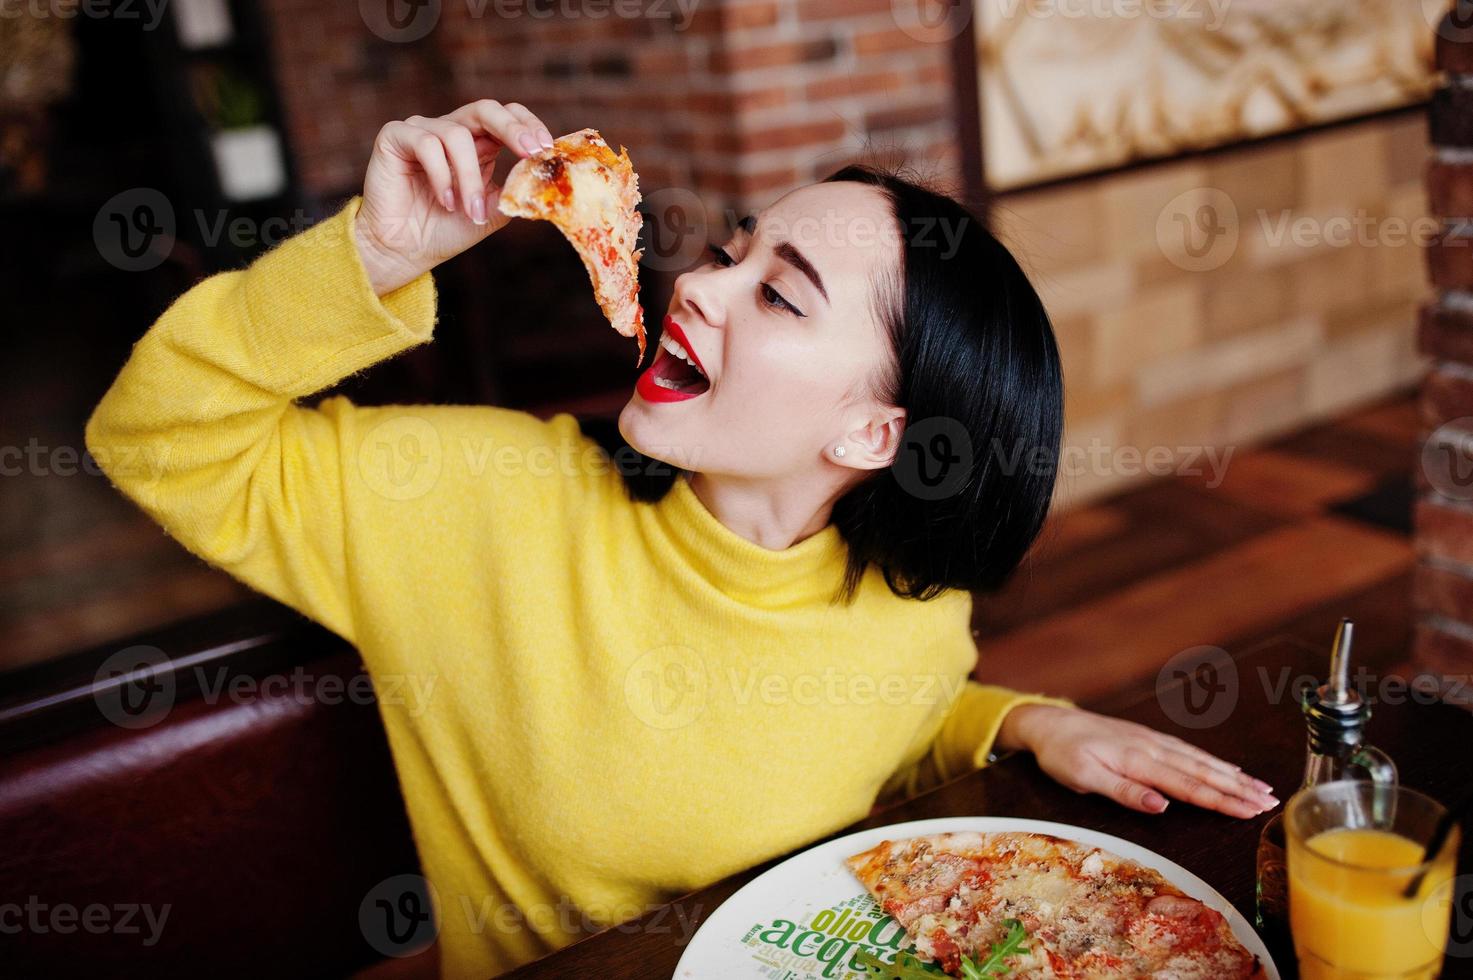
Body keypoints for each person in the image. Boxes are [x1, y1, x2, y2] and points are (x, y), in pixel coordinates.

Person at [86, 99, 1279, 977]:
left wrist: (1024, 718)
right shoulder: (481, 500)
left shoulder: (910, 612)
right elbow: (155, 436)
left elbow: (905, 716)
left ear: (874, 431)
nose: (699, 286)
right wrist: (373, 260)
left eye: (780, 292)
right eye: (730, 252)